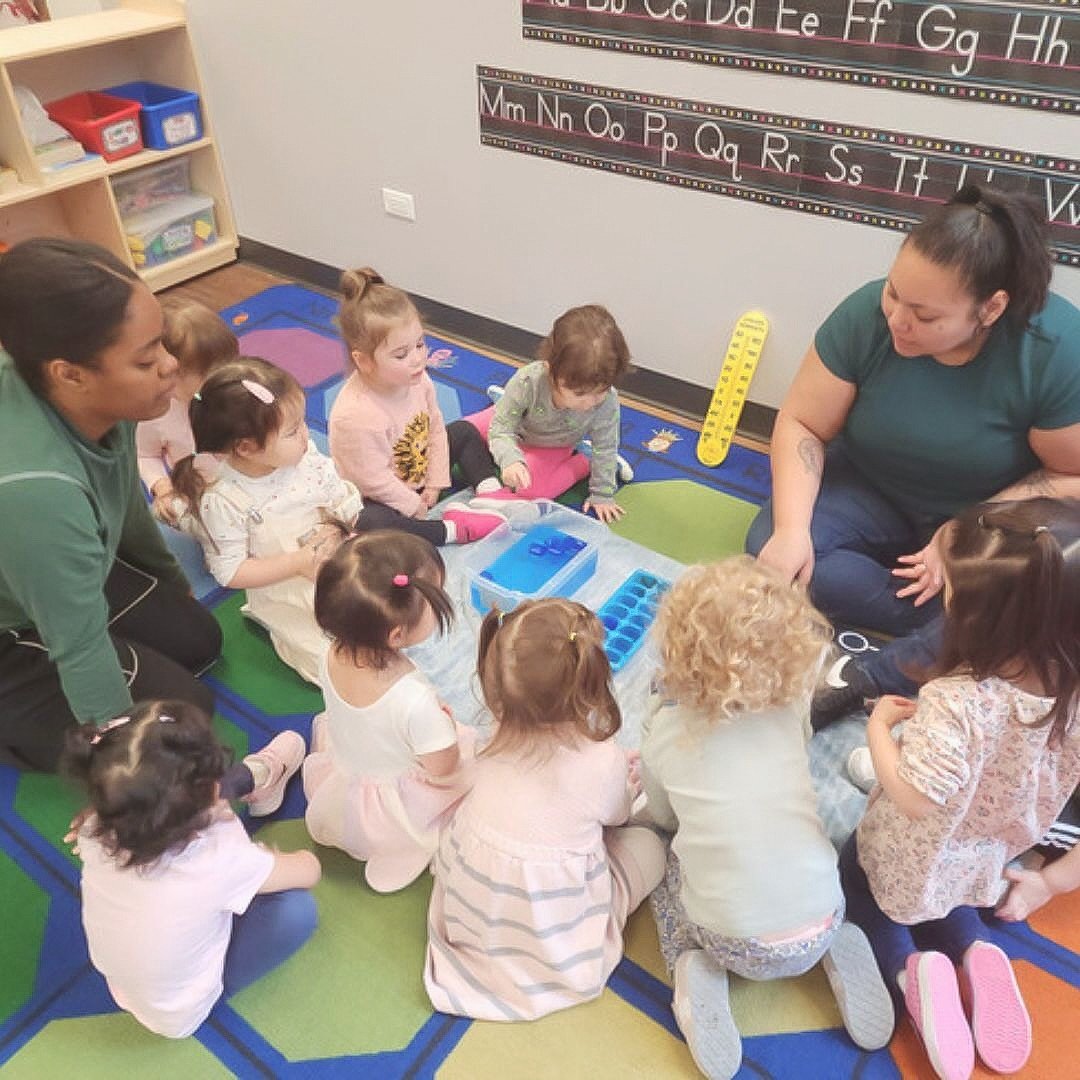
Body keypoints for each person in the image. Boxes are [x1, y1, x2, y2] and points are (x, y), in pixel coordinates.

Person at [745, 185, 1080, 728]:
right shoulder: (867, 313)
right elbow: (803, 422)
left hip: (991, 520)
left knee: (1056, 585)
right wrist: (791, 531)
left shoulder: (1053, 348)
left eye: (924, 315)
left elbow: (1071, 475)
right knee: (775, 546)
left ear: (990, 309)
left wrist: (968, 532)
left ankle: (877, 673)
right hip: (875, 487)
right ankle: (963, 628)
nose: (898, 319)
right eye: (894, 295)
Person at [839, 498, 1080, 1080]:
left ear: (978, 621)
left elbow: (916, 797)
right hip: (987, 857)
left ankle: (910, 972)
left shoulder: (959, 699)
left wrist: (879, 733)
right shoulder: (1072, 693)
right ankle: (978, 952)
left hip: (909, 851)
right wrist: (1048, 880)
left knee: (860, 880)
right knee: (951, 901)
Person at [641, 558, 893, 1079]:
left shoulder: (668, 733)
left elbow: (663, 816)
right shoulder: (791, 710)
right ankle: (834, 946)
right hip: (826, 910)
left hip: (729, 939)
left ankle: (691, 964)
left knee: (663, 865)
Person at [0, 238, 223, 770]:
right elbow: (77, 647)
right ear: (70, 373)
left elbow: (123, 500)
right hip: (12, 623)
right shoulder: (35, 490)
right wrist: (127, 770)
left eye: (163, 345)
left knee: (199, 638)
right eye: (147, 359)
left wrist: (168, 581)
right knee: (179, 726)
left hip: (52, 568)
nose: (170, 366)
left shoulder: (107, 400)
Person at [424, 598, 666, 1021]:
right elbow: (618, 817)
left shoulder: (490, 737)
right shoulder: (600, 759)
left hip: (477, 904)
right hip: (552, 925)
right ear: (592, 687)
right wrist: (626, 784)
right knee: (650, 847)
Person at [65, 700, 320, 1038]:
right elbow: (309, 869)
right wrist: (262, 855)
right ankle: (259, 776)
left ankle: (255, 777)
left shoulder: (96, 824)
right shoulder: (217, 857)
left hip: (125, 987)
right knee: (297, 910)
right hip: (183, 1011)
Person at [170, 356, 361, 684]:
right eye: (292, 431)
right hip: (286, 591)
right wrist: (299, 563)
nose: (306, 434)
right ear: (246, 448)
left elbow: (340, 497)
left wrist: (339, 526)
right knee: (339, 669)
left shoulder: (305, 456)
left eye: (302, 423)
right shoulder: (226, 500)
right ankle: (181, 513)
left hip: (333, 561)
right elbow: (230, 572)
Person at [303, 531, 475, 892]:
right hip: (396, 812)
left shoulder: (329, 654)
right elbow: (443, 768)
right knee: (480, 763)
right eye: (432, 600)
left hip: (348, 782)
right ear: (396, 635)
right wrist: (444, 727)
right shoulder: (414, 701)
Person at [329, 267, 514, 545]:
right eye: (401, 354)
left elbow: (435, 427)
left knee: (463, 432)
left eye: (420, 344)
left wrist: (435, 481)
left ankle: (490, 493)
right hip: (381, 496)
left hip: (419, 471)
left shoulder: (417, 378)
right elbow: (373, 480)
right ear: (364, 361)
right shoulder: (355, 417)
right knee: (369, 523)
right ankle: (450, 531)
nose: (417, 359)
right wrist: (414, 505)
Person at [469, 303, 633, 524]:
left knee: (531, 490)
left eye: (599, 392)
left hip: (554, 445)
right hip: (518, 425)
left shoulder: (607, 402)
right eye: (579, 393)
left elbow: (604, 447)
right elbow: (501, 427)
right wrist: (510, 460)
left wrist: (602, 494)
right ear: (550, 370)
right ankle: (503, 398)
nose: (589, 403)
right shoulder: (529, 381)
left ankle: (583, 459)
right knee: (462, 431)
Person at [136, 297, 239, 527]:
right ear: (171, 371)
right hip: (202, 498)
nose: (226, 377)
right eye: (209, 373)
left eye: (230, 363)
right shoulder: (157, 413)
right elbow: (144, 454)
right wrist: (162, 486)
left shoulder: (236, 390)